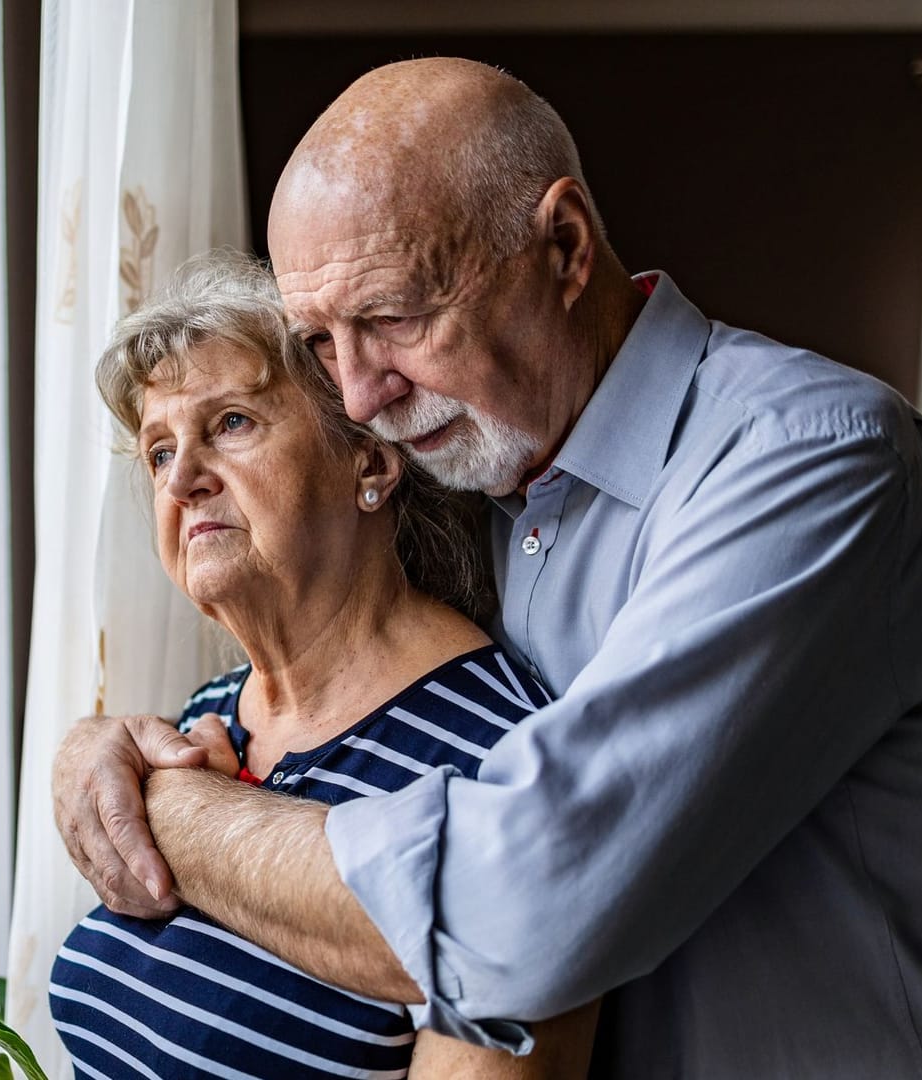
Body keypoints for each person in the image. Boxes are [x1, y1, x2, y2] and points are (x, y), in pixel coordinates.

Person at [51, 58, 922, 1077]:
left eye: (392, 316)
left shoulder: (812, 457)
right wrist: (100, 748)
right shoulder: (485, 476)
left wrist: (159, 806)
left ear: (564, 248)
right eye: (318, 341)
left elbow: (520, 912)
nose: (357, 396)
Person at [48, 251, 599, 1078]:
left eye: (231, 423)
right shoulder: (209, 715)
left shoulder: (504, 760)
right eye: (160, 451)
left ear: (370, 460)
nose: (184, 480)